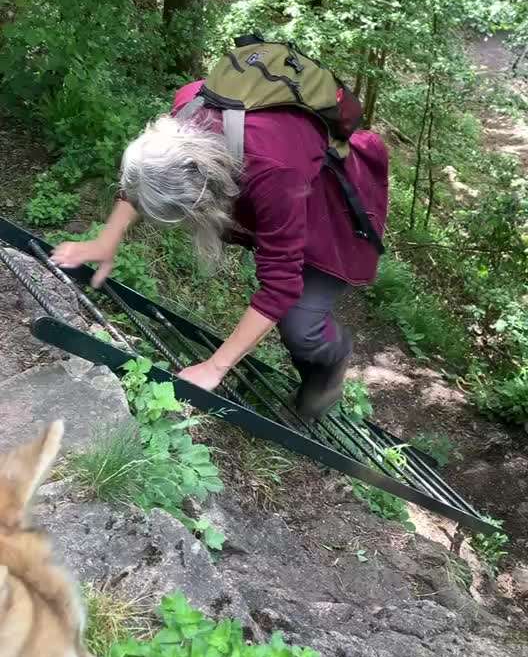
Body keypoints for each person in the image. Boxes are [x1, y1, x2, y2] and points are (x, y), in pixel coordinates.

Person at [52, 79, 389, 421]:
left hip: (330, 214)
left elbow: (281, 286)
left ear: (203, 197)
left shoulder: (274, 172)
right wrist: (106, 240)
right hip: (286, 190)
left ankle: (329, 365)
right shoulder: (188, 111)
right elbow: (147, 178)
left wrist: (215, 367)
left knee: (301, 324)